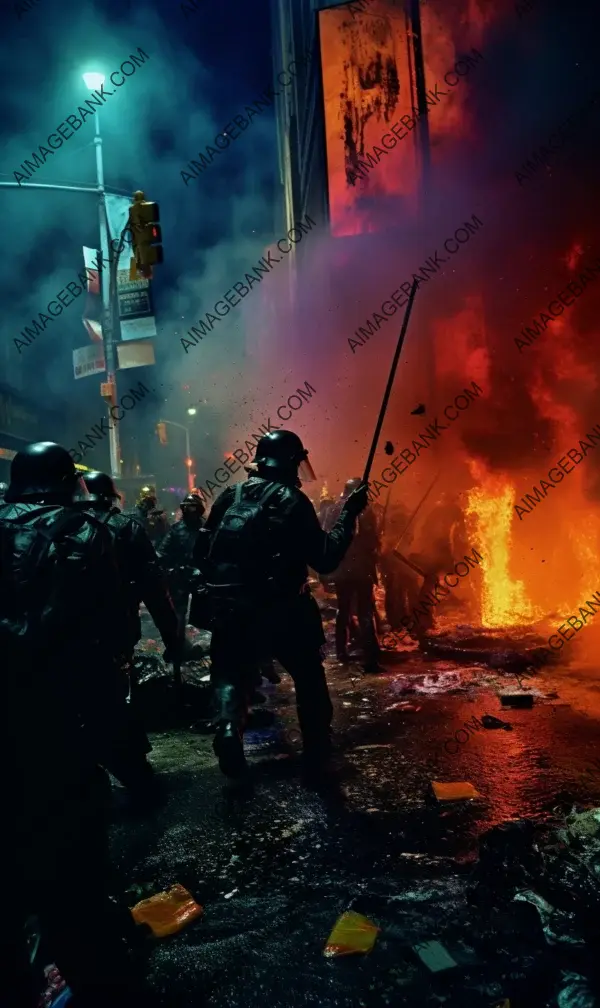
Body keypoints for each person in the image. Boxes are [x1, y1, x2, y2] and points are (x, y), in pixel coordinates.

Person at [0, 442, 152, 1007]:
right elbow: (114, 632)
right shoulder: (88, 534)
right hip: (60, 729)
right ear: (67, 481)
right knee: (72, 880)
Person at [192, 430, 368, 782]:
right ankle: (317, 754)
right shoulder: (292, 500)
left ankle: (228, 732)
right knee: (308, 678)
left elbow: (203, 552)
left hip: (231, 608)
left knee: (230, 676)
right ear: (289, 462)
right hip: (283, 609)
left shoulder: (230, 494)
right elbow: (326, 558)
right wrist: (349, 515)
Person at [81, 470, 181, 802]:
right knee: (118, 702)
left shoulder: (60, 523)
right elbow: (155, 588)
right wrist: (173, 638)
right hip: (111, 636)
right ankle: (137, 781)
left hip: (59, 639)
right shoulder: (124, 527)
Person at [324, 478, 383, 674]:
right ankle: (371, 658)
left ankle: (341, 652)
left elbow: (325, 536)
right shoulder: (364, 510)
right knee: (365, 612)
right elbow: (371, 541)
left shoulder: (333, 510)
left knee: (343, 608)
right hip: (360, 569)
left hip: (341, 568)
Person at [158, 490, 205, 646]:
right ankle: (177, 644)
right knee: (178, 613)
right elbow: (162, 552)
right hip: (181, 575)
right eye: (187, 508)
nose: (190, 512)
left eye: (193, 508)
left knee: (209, 613)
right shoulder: (177, 529)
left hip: (201, 576)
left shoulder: (206, 528)